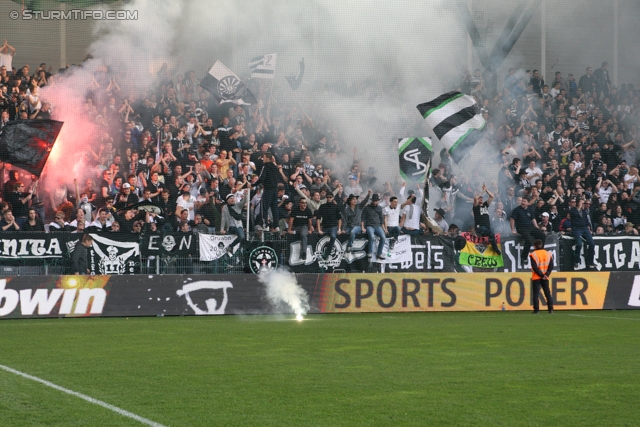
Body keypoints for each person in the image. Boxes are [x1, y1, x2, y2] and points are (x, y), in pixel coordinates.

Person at [510, 196, 546, 266]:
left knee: (542, 236)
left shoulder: (530, 209)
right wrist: (513, 230)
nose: (522, 203)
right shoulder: (516, 210)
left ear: (528, 203)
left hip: (530, 227)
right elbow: (512, 219)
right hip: (521, 228)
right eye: (522, 201)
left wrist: (536, 227)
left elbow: (533, 219)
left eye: (524, 201)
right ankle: (524, 257)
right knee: (529, 241)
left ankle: (540, 252)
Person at [473, 182, 501, 255]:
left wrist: (486, 190)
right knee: (491, 234)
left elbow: (492, 196)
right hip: (480, 227)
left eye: (481, 198)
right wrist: (482, 191)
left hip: (487, 228)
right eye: (480, 198)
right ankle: (495, 249)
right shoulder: (476, 207)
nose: (480, 199)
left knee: (492, 233)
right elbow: (475, 198)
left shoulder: (485, 205)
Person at [569, 198, 596, 270]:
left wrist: (589, 228)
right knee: (579, 244)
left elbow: (587, 221)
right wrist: (579, 208)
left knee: (592, 243)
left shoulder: (584, 211)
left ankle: (591, 261)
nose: (583, 204)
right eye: (582, 203)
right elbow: (573, 216)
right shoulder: (573, 210)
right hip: (577, 229)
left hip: (585, 228)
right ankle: (576, 260)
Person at [529, 239, 554, 314]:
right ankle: (550, 309)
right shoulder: (548, 253)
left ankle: (536, 310)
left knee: (536, 294)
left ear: (535, 246)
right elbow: (551, 266)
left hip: (536, 277)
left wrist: (541, 275)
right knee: (547, 293)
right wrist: (546, 275)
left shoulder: (533, 254)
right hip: (545, 277)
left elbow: (535, 267)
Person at [315, 192, 341, 260]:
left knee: (333, 236)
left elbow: (339, 219)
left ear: (333, 198)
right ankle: (317, 255)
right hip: (324, 226)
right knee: (316, 235)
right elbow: (318, 218)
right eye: (327, 197)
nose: (329, 198)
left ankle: (327, 253)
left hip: (333, 227)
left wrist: (339, 229)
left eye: (330, 197)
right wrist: (319, 230)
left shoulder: (336, 207)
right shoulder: (322, 206)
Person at [361, 193, 385, 260]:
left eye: (376, 201)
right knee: (371, 236)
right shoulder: (367, 208)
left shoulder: (380, 208)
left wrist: (384, 228)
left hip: (378, 226)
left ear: (378, 201)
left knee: (383, 237)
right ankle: (370, 252)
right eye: (374, 200)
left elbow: (381, 219)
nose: (375, 202)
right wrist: (363, 227)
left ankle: (379, 253)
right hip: (369, 226)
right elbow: (362, 218)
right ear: (372, 201)